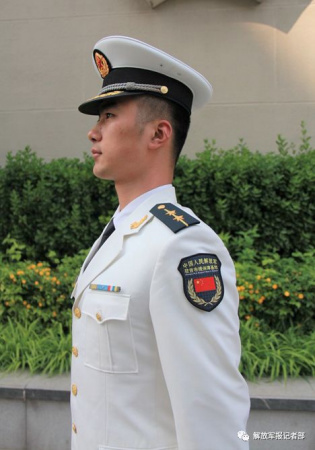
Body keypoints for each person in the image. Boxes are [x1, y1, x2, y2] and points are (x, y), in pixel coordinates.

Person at [71, 35, 250, 450]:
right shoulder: (120, 232)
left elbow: (213, 412)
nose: (92, 132)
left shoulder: (182, 247)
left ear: (158, 133)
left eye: (108, 115)